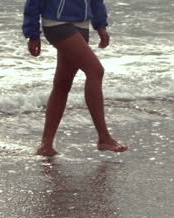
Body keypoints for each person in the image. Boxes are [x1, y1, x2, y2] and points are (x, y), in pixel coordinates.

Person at [22, 0, 128, 156]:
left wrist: (100, 26)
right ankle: (104, 138)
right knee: (95, 70)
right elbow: (33, 2)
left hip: (82, 25)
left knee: (62, 84)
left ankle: (46, 145)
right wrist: (32, 34)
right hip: (57, 23)